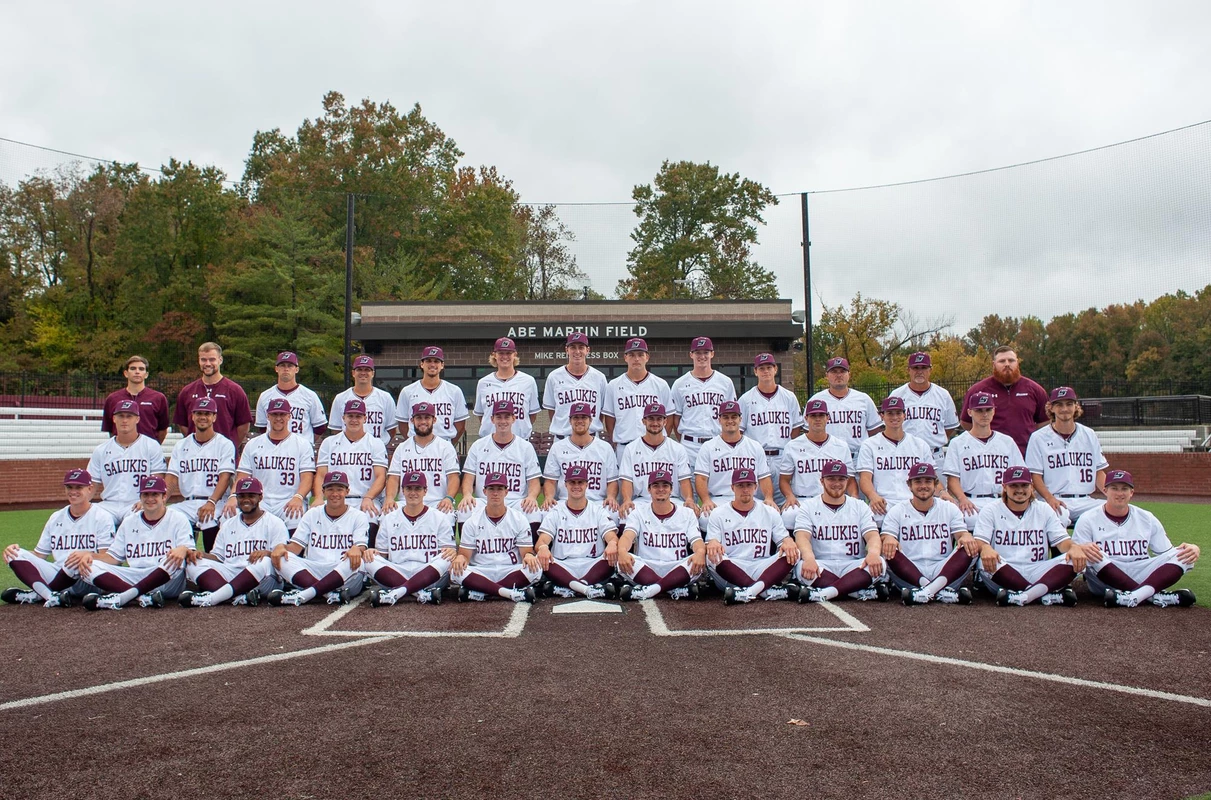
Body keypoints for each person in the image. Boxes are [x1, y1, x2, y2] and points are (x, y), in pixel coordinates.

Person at [1073, 469, 1200, 608]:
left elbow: (1165, 552)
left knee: (1184, 554)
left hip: (1141, 571)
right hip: (1105, 578)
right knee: (1092, 553)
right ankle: (1151, 596)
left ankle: (1134, 597)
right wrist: (1081, 548)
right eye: (1114, 488)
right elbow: (1076, 556)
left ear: (1131, 493)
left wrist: (1193, 549)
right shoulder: (1087, 518)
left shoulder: (1146, 517)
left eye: (1124, 489)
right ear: (1105, 491)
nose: (1119, 493)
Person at [973, 466, 1088, 607]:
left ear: (1032, 487)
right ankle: (1042, 594)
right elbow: (979, 542)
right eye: (1014, 485)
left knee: (1078, 557)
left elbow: (1061, 541)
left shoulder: (1044, 509)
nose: (1020, 490)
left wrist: (1074, 547)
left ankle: (1024, 596)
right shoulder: (990, 510)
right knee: (984, 562)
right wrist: (985, 547)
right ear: (1004, 487)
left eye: (1024, 485)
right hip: (1004, 570)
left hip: (1038, 569)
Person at [2, 469, 114, 608]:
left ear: (90, 489)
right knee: (16, 554)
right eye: (69, 487)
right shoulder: (56, 517)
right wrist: (15, 553)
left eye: (79, 487)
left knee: (74, 560)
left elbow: (109, 559)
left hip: (86, 579)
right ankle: (52, 596)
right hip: (57, 574)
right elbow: (39, 555)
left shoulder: (102, 516)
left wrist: (88, 555)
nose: (73, 491)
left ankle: (38, 594)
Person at [82, 476, 196, 610]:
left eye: (155, 494)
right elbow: (113, 558)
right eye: (146, 494)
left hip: (165, 580)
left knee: (173, 559)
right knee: (89, 566)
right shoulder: (129, 521)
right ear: (140, 497)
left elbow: (191, 553)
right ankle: (142, 597)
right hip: (135, 575)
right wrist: (89, 556)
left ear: (164, 497)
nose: (150, 498)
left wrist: (183, 549)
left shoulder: (178, 518)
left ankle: (123, 597)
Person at [179, 476, 289, 607]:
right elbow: (218, 557)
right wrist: (201, 555)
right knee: (193, 562)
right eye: (242, 496)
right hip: (232, 574)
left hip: (263, 580)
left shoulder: (275, 522)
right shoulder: (228, 524)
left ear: (260, 497)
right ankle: (239, 597)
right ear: (236, 498)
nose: (246, 499)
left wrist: (267, 553)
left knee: (264, 562)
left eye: (251, 495)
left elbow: (281, 556)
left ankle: (214, 598)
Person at [880, 463, 978, 605]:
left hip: (943, 568)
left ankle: (926, 592)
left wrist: (966, 536)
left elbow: (961, 534)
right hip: (910, 569)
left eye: (928, 481)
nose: (923, 486)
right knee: (887, 549)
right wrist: (889, 539)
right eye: (918, 481)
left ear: (936, 483)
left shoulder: (949, 508)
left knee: (971, 548)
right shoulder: (898, 510)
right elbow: (887, 536)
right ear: (909, 485)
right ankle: (938, 592)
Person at [792, 461, 889, 603]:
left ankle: (824, 593)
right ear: (822, 481)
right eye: (831, 478)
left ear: (847, 481)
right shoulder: (809, 506)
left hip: (854, 565)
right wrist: (809, 558)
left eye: (841, 479)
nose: (836, 483)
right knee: (801, 567)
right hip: (821, 564)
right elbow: (802, 538)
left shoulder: (859, 505)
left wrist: (873, 553)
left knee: (880, 562)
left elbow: (873, 536)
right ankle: (856, 591)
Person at [268, 471, 369, 606]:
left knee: (359, 562)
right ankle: (328, 594)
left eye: (339, 489)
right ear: (323, 491)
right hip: (313, 569)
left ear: (347, 491)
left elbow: (360, 546)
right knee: (281, 557)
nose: (335, 494)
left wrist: (357, 548)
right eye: (330, 489)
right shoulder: (312, 514)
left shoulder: (358, 516)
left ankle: (306, 593)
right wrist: (281, 547)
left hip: (341, 572)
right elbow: (295, 548)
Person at [705, 469, 798, 605]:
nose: (745, 490)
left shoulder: (770, 512)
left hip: (761, 567)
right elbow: (712, 542)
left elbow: (783, 540)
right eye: (740, 486)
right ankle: (764, 591)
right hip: (732, 569)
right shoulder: (718, 513)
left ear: (756, 487)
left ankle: (749, 592)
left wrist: (788, 540)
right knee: (711, 555)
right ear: (732, 488)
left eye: (749, 485)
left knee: (795, 551)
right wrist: (712, 542)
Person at [223, 398, 315, 533]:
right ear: (268, 416)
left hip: (288, 499)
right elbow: (242, 477)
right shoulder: (253, 444)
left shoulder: (302, 444)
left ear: (289, 416)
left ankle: (292, 555)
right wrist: (232, 497)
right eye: (274, 414)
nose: (278, 418)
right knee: (228, 515)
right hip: (260, 500)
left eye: (282, 414)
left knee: (295, 516)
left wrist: (298, 497)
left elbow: (307, 477)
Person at [364, 472, 456, 606]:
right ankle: (420, 593)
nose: (413, 492)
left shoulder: (439, 517)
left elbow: (447, 553)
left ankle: (397, 592)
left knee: (447, 557)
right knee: (368, 558)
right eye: (409, 488)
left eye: (418, 488)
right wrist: (372, 553)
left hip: (428, 572)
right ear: (402, 491)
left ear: (425, 491)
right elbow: (382, 555)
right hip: (397, 571)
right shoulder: (389, 519)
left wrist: (452, 553)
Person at [615, 470, 706, 600]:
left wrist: (700, 552)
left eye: (665, 485)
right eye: (656, 485)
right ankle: (673, 589)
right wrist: (622, 551)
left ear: (671, 489)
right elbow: (627, 536)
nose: (661, 489)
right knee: (622, 560)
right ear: (649, 489)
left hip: (677, 567)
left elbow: (697, 542)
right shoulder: (638, 512)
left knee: (698, 559)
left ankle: (650, 590)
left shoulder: (687, 513)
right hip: (646, 567)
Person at [1025, 386, 1108, 528]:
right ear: (1051, 408)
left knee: (1112, 511)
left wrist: (1111, 496)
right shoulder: (1038, 437)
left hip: (1085, 500)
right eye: (1059, 404)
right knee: (1059, 518)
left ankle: (1097, 551)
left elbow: (1098, 472)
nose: (1065, 409)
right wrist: (1049, 499)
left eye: (1069, 404)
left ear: (1076, 406)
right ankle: (1063, 551)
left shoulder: (1089, 434)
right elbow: (1035, 476)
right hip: (1054, 499)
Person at [450, 471, 540, 603]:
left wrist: (529, 556)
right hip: (482, 570)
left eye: (500, 489)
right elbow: (465, 556)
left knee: (536, 568)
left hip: (510, 569)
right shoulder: (472, 521)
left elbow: (526, 552)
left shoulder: (518, 519)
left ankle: (482, 593)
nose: (495, 493)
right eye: (491, 489)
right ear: (484, 491)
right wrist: (460, 558)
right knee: (455, 571)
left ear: (506, 491)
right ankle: (508, 593)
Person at [943, 392, 1026, 531]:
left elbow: (1020, 476)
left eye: (988, 409)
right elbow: (952, 480)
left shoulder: (1007, 442)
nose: (984, 414)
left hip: (1001, 499)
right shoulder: (958, 443)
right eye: (979, 410)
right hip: (971, 500)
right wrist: (962, 499)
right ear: (969, 412)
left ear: (994, 411)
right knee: (967, 519)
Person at [535, 466, 619, 599]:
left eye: (580, 482)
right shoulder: (556, 511)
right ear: (566, 485)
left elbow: (612, 537)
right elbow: (542, 541)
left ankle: (569, 588)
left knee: (612, 558)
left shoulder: (597, 510)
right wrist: (543, 547)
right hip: (563, 564)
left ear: (587, 484)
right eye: (572, 482)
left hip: (592, 564)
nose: (576, 486)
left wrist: (613, 543)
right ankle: (588, 589)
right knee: (541, 559)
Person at [166, 396, 236, 552]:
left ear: (214, 417)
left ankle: (214, 562)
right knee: (167, 515)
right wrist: (162, 499)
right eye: (199, 413)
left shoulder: (224, 444)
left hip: (216, 502)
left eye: (207, 413)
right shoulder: (181, 445)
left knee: (209, 520)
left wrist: (211, 502)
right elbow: (171, 477)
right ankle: (176, 563)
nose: (203, 417)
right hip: (188, 502)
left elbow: (225, 477)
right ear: (192, 416)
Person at [459, 401, 542, 529]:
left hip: (515, 500)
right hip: (485, 499)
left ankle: (532, 549)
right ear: (492, 419)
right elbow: (468, 479)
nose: (503, 421)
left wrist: (531, 496)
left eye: (507, 417)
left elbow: (534, 481)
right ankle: (467, 548)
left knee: (533, 512)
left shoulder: (525, 447)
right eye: (499, 417)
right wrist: (467, 495)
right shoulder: (478, 446)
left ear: (514, 418)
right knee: (465, 509)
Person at [694, 400, 776, 530]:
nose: (730, 420)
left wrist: (769, 497)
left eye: (734, 417)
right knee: (705, 518)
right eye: (725, 417)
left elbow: (764, 477)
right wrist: (706, 500)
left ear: (740, 419)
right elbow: (701, 478)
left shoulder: (754, 446)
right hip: (719, 498)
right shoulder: (708, 447)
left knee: (771, 514)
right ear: (719, 419)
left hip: (749, 498)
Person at [778, 398, 856, 531]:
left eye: (821, 415)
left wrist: (854, 498)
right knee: (789, 516)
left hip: (833, 498)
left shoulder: (841, 446)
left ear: (828, 418)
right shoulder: (793, 445)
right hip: (803, 499)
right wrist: (789, 496)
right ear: (806, 418)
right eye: (813, 416)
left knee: (855, 513)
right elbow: (784, 480)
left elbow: (850, 479)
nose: (817, 419)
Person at [855, 396, 935, 526]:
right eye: (890, 413)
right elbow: (865, 479)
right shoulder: (869, 444)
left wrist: (943, 493)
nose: (894, 417)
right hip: (883, 503)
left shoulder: (920, 444)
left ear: (904, 415)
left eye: (898, 413)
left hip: (913, 501)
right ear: (882, 416)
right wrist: (872, 496)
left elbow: (933, 478)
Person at [88, 399, 167, 524]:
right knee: (89, 515)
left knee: (139, 517)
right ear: (114, 418)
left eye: (129, 416)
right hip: (109, 504)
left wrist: (147, 500)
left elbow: (158, 479)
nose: (124, 420)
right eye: (121, 416)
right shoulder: (101, 450)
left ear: (137, 419)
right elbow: (91, 484)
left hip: (137, 502)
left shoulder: (151, 445)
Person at [959, 345, 1049, 454]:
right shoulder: (978, 390)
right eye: (1002, 361)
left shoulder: (1035, 390)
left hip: (1026, 454)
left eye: (1011, 360)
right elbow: (966, 422)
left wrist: (1029, 437)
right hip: (991, 457)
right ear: (994, 365)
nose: (1007, 364)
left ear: (1017, 363)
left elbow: (1045, 421)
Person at [739, 352, 802, 504]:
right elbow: (739, 431)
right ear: (755, 371)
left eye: (769, 367)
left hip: (783, 456)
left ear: (775, 369)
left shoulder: (789, 397)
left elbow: (796, 428)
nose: (765, 371)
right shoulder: (746, 399)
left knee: (786, 502)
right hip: (756, 457)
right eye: (761, 368)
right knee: (757, 502)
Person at [314, 399, 388, 527]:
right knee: (316, 517)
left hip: (364, 498)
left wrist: (368, 497)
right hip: (335, 498)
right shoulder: (329, 443)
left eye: (358, 416)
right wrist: (319, 498)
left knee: (370, 516)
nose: (354, 420)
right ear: (343, 418)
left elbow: (381, 476)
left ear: (365, 418)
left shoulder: (375, 443)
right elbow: (321, 475)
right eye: (350, 416)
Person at [541, 402, 619, 519]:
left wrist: (611, 497)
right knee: (545, 512)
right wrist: (548, 497)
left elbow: (612, 481)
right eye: (576, 417)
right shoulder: (558, 447)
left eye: (584, 417)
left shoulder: (605, 448)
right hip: (565, 501)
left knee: (614, 513)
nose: (580, 421)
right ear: (570, 420)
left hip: (597, 501)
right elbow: (550, 481)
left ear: (590, 420)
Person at [617, 403, 696, 518]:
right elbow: (627, 481)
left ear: (665, 421)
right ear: (644, 421)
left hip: (672, 499)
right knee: (626, 514)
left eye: (659, 419)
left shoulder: (677, 448)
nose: (655, 423)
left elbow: (684, 480)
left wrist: (689, 498)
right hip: (642, 500)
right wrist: (627, 499)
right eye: (651, 419)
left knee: (689, 513)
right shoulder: (631, 448)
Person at [668, 336, 737, 468]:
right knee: (690, 485)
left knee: (718, 484)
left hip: (717, 441)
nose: (702, 356)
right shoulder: (680, 384)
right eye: (698, 352)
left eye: (706, 352)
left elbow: (732, 416)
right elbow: (676, 419)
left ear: (712, 354)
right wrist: (684, 439)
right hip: (690, 445)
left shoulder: (725, 382)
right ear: (691, 355)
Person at [384, 402, 460, 517]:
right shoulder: (402, 448)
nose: (423, 422)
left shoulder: (445, 447)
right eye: (419, 418)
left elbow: (453, 477)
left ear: (434, 420)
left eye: (427, 417)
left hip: (437, 501)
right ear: (412, 420)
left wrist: (449, 498)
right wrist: (389, 498)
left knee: (448, 515)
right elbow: (394, 478)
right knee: (386, 514)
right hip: (406, 502)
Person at [602, 337, 672, 461]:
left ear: (647, 357)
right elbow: (609, 419)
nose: (636, 359)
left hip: (656, 447)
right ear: (625, 357)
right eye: (632, 355)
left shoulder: (660, 384)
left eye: (640, 354)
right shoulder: (613, 385)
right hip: (624, 446)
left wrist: (658, 439)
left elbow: (669, 416)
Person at [174, 342, 252, 447]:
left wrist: (230, 447)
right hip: (195, 454)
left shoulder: (234, 390)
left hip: (224, 455)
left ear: (220, 360)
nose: (207, 364)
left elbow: (244, 425)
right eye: (203, 360)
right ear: (199, 360)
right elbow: (183, 424)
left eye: (212, 359)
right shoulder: (187, 391)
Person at [889, 351, 958, 471]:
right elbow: (889, 425)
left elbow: (950, 426)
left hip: (935, 455)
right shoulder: (897, 394)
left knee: (939, 489)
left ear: (930, 370)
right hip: (905, 455)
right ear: (908, 370)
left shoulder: (943, 394)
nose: (919, 371)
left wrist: (935, 439)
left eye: (924, 368)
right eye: (915, 368)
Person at [805, 357, 881, 459]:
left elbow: (875, 431)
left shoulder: (864, 399)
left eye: (842, 371)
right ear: (827, 375)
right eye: (834, 371)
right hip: (827, 457)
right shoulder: (816, 400)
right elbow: (808, 431)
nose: (839, 375)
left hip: (858, 457)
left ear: (849, 374)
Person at [542, 332, 608, 439]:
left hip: (591, 438)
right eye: (573, 347)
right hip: (562, 438)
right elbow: (552, 411)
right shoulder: (554, 377)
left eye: (581, 347)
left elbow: (602, 411)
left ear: (587, 350)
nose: (577, 351)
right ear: (566, 350)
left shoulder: (599, 378)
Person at [396, 346, 468, 443]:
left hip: (445, 442)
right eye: (428, 361)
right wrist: (413, 442)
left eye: (436, 361)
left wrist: (449, 444)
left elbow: (460, 425)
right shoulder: (408, 391)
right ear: (422, 364)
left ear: (442, 365)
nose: (432, 364)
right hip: (417, 444)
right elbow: (403, 425)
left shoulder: (454, 391)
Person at [473, 337, 540, 440]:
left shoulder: (528, 381)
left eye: (508, 353)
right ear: (494, 355)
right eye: (501, 353)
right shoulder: (483, 383)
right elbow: (482, 415)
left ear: (515, 354)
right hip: (489, 442)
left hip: (520, 441)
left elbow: (532, 415)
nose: (505, 357)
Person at [254, 351, 327, 444]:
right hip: (273, 450)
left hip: (301, 451)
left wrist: (305, 443)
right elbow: (262, 428)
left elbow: (320, 427)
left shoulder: (310, 395)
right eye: (282, 365)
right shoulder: (265, 396)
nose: (286, 369)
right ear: (276, 368)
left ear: (296, 369)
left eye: (290, 366)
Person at [327, 355, 398, 445]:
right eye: (359, 369)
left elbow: (391, 430)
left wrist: (380, 445)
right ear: (353, 373)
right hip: (349, 450)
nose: (363, 373)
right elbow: (336, 430)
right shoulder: (340, 398)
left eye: (367, 370)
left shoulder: (385, 398)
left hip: (377, 450)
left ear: (373, 373)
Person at [101, 355, 169, 443]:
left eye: (141, 369)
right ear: (126, 373)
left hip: (148, 451)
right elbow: (110, 428)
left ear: (146, 374)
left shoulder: (158, 398)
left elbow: (163, 429)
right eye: (133, 368)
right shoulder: (113, 398)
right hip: (121, 451)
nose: (137, 372)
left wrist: (153, 447)